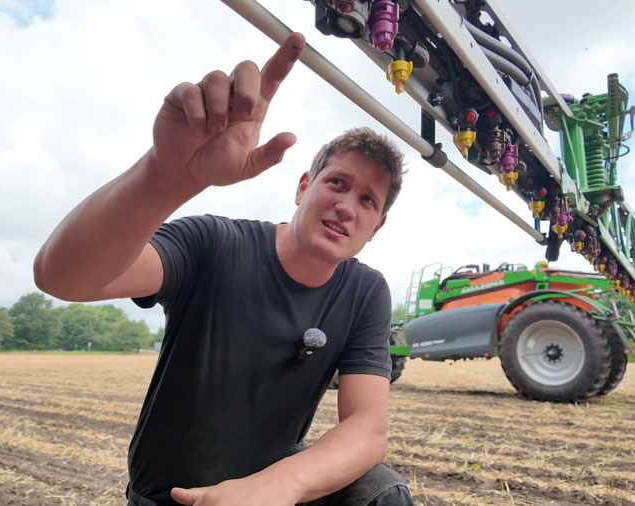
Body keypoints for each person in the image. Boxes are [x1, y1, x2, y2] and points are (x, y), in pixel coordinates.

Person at [33, 32, 414, 506]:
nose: (346, 207)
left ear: (376, 227)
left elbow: (367, 427)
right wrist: (165, 176)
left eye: (368, 201)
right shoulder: (215, 243)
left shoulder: (365, 291)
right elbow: (61, 277)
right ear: (302, 187)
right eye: (336, 183)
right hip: (172, 497)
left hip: (266, 497)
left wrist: (277, 486)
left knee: (381, 493)